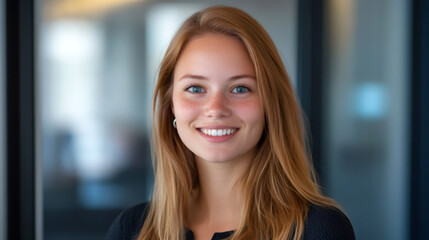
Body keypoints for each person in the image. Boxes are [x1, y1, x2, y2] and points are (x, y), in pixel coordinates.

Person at [105, 5, 355, 240]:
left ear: (270, 103)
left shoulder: (318, 230)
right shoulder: (131, 229)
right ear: (171, 104)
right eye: (195, 88)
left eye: (240, 88)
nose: (216, 109)